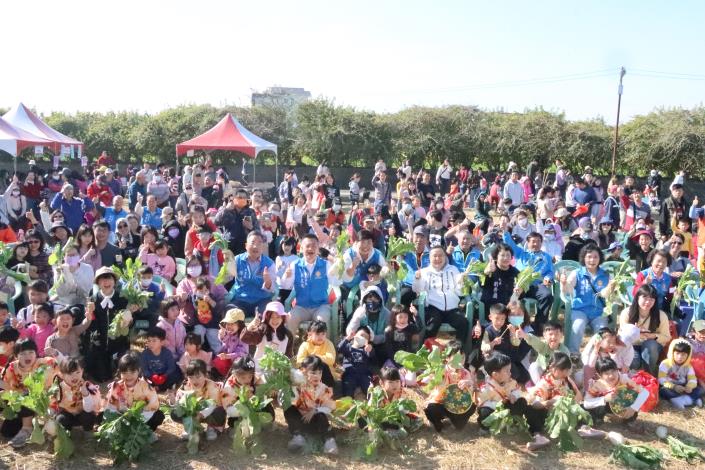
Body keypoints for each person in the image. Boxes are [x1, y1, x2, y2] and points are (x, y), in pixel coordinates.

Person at [476, 352, 549, 450]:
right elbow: (482, 402)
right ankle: (486, 428)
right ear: (495, 374)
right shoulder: (487, 387)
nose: (510, 373)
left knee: (522, 402)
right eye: (507, 371)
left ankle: (537, 434)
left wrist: (514, 396)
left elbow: (516, 390)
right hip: (495, 413)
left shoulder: (510, 381)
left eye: (509, 370)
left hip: (509, 412)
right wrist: (500, 403)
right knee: (484, 411)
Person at [0, 339, 58, 447]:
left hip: (43, 403)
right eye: (22, 353)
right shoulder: (12, 367)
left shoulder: (44, 363)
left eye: (31, 352)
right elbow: (10, 388)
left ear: (36, 353)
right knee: (7, 432)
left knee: (26, 397)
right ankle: (27, 423)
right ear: (16, 356)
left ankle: (27, 428)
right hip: (21, 404)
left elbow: (65, 367)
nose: (27, 356)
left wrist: (56, 354)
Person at [413, 245, 469, 347]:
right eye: (434, 256)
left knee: (463, 323)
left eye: (440, 255)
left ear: (445, 257)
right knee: (432, 325)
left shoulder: (453, 269)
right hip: (434, 308)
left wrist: (461, 282)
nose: (437, 258)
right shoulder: (425, 272)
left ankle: (458, 351)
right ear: (430, 258)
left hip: (452, 309)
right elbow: (417, 290)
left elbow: (460, 293)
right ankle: (425, 350)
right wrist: (417, 279)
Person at [559, 245, 613, 352]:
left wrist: (612, 288)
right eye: (589, 257)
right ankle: (573, 353)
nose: (592, 260)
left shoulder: (606, 275)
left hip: (599, 312)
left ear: (600, 258)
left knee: (602, 331)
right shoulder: (577, 273)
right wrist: (563, 283)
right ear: (583, 258)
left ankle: (597, 354)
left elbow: (610, 295)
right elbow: (567, 290)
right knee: (578, 326)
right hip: (580, 310)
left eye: (595, 257)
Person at [282, 234, 339, 334]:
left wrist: (337, 269)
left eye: (314, 246)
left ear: (318, 249)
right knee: (290, 319)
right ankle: (289, 344)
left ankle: (324, 344)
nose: (310, 249)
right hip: (301, 307)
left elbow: (336, 282)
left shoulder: (326, 264)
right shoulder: (295, 265)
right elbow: (285, 286)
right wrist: (286, 276)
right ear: (301, 248)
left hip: (321, 306)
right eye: (307, 246)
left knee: (322, 322)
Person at [284, 355, 338, 455]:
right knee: (289, 409)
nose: (317, 376)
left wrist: (315, 411)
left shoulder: (324, 389)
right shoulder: (299, 386)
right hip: (300, 422)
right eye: (313, 373)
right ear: (304, 372)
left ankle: (329, 441)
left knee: (321, 416)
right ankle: (298, 437)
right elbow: (292, 399)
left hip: (315, 423)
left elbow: (330, 407)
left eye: (320, 373)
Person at [105, 351, 164, 439]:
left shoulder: (146, 386)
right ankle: (125, 433)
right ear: (120, 372)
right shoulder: (116, 387)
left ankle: (147, 432)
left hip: (142, 417)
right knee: (103, 414)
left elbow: (154, 404)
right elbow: (110, 406)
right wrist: (121, 414)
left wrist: (139, 414)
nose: (128, 376)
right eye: (124, 373)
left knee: (158, 416)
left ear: (138, 371)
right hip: (123, 418)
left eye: (132, 372)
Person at [584, 357, 649, 432]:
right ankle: (598, 419)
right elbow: (586, 403)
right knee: (591, 407)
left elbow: (645, 392)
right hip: (607, 407)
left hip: (626, 406)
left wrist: (633, 408)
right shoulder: (598, 385)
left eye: (613, 371)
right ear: (599, 375)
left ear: (617, 369)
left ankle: (629, 420)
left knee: (633, 397)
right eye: (606, 373)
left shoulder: (624, 379)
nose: (611, 375)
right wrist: (604, 399)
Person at [619, 284, 672, 375]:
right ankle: (634, 375)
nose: (648, 302)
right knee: (634, 362)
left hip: (652, 347)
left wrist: (653, 336)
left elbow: (667, 337)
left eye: (651, 299)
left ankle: (649, 375)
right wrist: (634, 333)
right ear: (637, 298)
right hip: (632, 346)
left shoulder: (661, 315)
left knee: (650, 344)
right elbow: (622, 336)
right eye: (645, 298)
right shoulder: (627, 313)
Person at [170, 359, 225, 442]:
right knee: (175, 413)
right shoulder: (185, 386)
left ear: (205, 375)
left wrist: (201, 414)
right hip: (193, 415)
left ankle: (212, 427)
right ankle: (191, 427)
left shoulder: (212, 386)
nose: (195, 381)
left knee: (219, 411)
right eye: (191, 377)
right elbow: (179, 403)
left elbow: (213, 404)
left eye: (198, 377)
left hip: (208, 413)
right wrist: (173, 400)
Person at [227, 231, 276, 318]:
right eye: (252, 243)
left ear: (263, 247)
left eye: (259, 243)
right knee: (230, 314)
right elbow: (227, 277)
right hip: (241, 300)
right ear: (246, 245)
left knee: (267, 316)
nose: (255, 246)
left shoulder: (269, 263)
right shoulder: (237, 260)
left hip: (262, 300)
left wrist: (268, 282)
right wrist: (226, 264)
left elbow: (272, 289)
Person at [50, 357, 102, 435]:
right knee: (60, 419)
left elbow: (90, 408)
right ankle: (66, 435)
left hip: (82, 414)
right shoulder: (58, 387)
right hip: (67, 415)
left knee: (89, 415)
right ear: (62, 374)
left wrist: (86, 395)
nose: (74, 376)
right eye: (70, 373)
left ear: (82, 371)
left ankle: (88, 432)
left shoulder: (86, 385)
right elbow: (52, 404)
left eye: (77, 372)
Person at [240, 301, 294, 371]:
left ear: (283, 318)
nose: (275, 320)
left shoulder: (288, 334)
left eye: (278, 317)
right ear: (267, 318)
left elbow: (288, 355)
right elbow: (244, 338)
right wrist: (251, 325)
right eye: (271, 317)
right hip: (259, 370)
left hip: (278, 371)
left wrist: (287, 367)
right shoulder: (261, 330)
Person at [658, 339, 703, 409]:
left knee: (700, 389)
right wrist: (674, 386)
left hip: (684, 387)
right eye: (677, 353)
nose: (680, 357)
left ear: (688, 355)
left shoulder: (688, 366)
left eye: (683, 354)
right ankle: (692, 399)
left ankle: (685, 399)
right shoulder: (665, 363)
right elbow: (661, 379)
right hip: (670, 387)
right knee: (663, 391)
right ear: (672, 352)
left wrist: (690, 386)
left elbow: (692, 379)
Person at [296, 320, 336, 388]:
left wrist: (315, 358)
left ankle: (327, 389)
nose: (320, 337)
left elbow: (331, 359)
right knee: (310, 368)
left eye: (323, 334)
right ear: (310, 334)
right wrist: (312, 363)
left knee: (322, 365)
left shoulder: (328, 344)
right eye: (317, 334)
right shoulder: (305, 345)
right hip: (309, 374)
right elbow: (300, 361)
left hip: (325, 374)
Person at [338, 325, 375, 397]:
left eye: (366, 337)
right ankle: (348, 402)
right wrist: (348, 338)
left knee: (369, 390)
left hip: (364, 374)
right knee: (348, 388)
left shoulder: (365, 349)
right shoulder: (348, 346)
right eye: (361, 335)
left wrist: (370, 348)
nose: (363, 338)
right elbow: (339, 348)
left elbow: (372, 355)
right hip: (349, 373)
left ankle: (372, 402)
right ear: (355, 335)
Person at [211, 308, 248, 378]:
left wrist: (228, 356)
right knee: (218, 360)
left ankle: (235, 377)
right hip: (228, 357)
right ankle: (226, 376)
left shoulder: (243, 336)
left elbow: (241, 353)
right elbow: (223, 340)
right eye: (228, 324)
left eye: (232, 324)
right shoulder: (227, 332)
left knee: (238, 363)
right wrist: (222, 334)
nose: (229, 326)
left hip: (238, 360)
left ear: (240, 325)